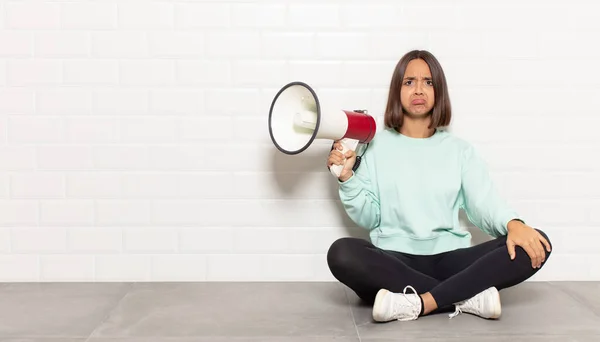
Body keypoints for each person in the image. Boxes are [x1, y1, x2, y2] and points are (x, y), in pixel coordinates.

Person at [326, 50, 552, 323]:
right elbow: (369, 217)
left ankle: (419, 301)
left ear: (438, 91)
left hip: (452, 259)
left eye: (428, 82)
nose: (418, 89)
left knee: (537, 241)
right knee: (341, 252)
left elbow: (484, 202)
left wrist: (513, 223)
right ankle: (465, 295)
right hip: (394, 260)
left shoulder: (459, 151)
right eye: (409, 82)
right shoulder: (374, 147)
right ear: (397, 90)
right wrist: (347, 179)